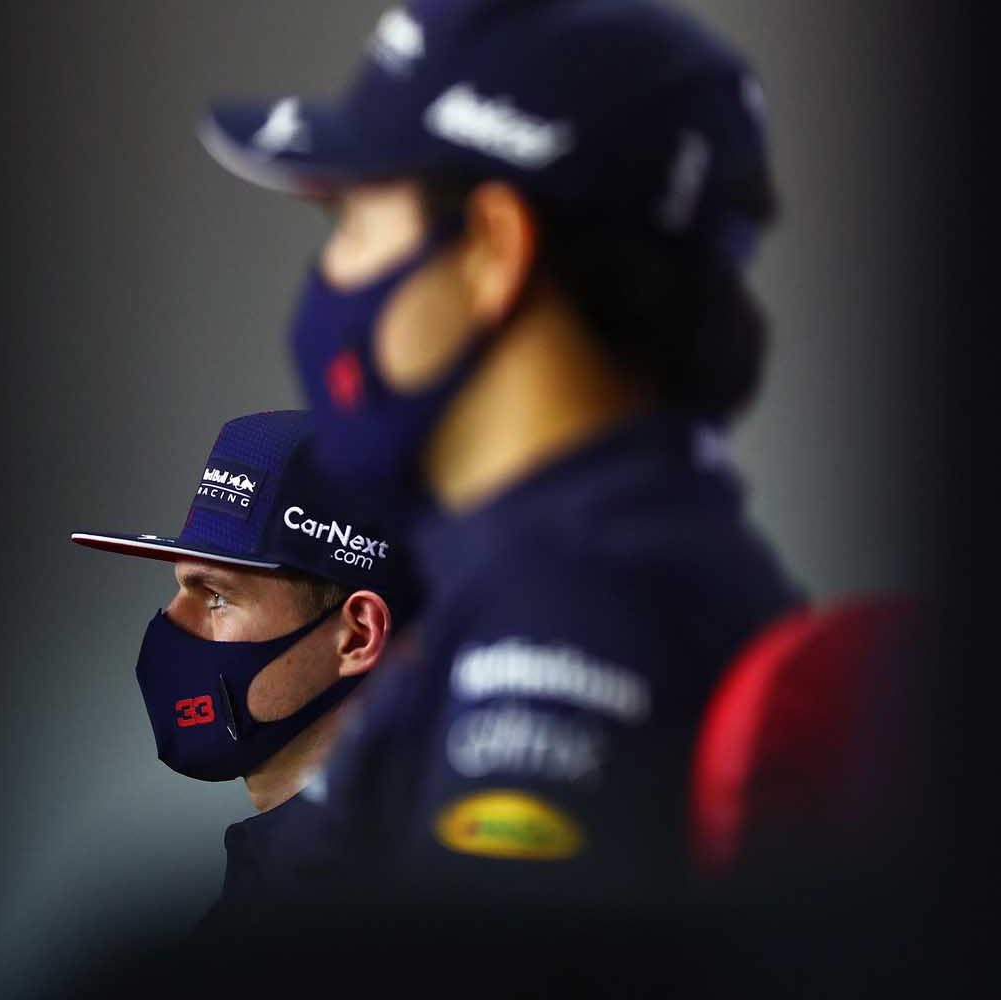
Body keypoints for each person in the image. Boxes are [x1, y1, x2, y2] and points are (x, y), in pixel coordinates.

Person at [193, 0, 805, 915]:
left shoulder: (566, 611)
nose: (331, 284)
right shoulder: (609, 556)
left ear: (490, 250)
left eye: (351, 223)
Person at [68, 408, 416, 932]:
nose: (169, 623)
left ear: (359, 635)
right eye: (181, 586)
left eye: (216, 596)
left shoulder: (365, 915)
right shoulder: (288, 882)